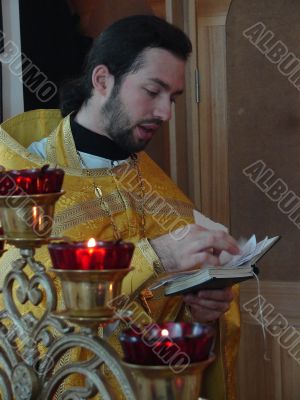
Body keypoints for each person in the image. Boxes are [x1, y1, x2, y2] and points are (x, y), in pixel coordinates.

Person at [0, 15, 240, 399]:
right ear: (102, 80)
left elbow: (172, 319)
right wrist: (153, 255)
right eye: (153, 91)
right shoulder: (25, 182)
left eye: (173, 97)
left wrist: (200, 314)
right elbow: (20, 305)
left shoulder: (160, 188)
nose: (166, 113)